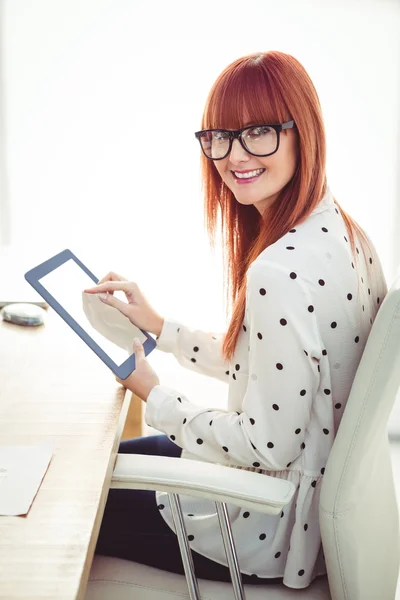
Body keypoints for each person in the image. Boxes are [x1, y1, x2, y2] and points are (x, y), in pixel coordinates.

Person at [84, 50, 388, 589]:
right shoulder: (342, 231)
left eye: (260, 132)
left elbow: (268, 443)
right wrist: (160, 326)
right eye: (220, 136)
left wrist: (155, 397)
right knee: (85, 465)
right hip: (292, 507)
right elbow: (277, 372)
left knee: (68, 496)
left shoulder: (279, 270)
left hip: (257, 525)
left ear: (302, 131)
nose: (234, 155)